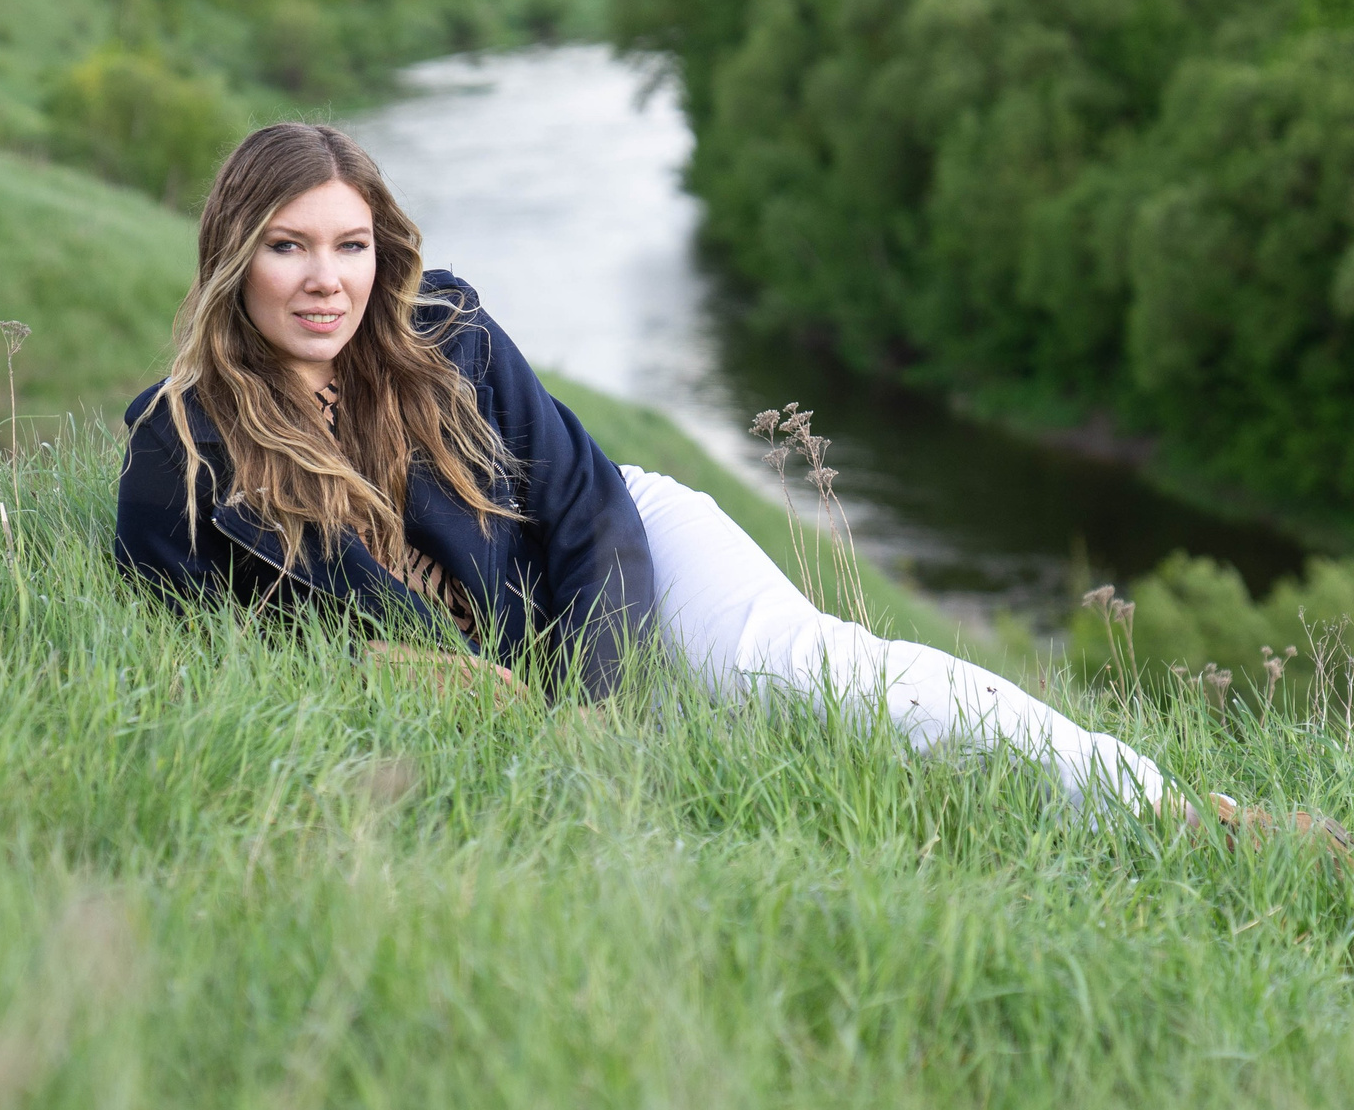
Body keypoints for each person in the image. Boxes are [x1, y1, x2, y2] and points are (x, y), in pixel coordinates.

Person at [116, 120, 1169, 816]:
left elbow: (585, 510)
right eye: (288, 247)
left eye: (350, 246)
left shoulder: (450, 335)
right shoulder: (182, 451)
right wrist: (372, 670)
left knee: (813, 673)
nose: (325, 282)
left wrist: (590, 701)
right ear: (230, 255)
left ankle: (1162, 809)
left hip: (624, 546)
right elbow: (207, 639)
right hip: (499, 656)